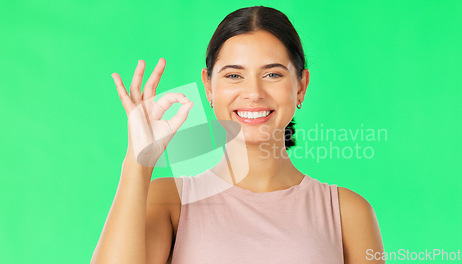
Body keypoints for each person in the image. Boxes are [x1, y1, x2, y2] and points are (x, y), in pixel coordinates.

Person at [91, 6, 385, 264]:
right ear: (208, 86)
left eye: (273, 74)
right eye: (234, 75)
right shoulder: (171, 200)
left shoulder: (348, 212)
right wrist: (138, 160)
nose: (253, 93)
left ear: (300, 86)